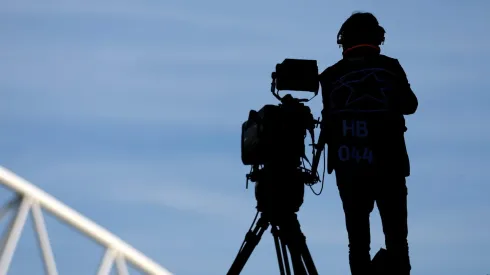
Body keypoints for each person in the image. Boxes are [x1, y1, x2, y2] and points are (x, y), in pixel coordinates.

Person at [318, 12, 418, 275]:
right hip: (390, 168)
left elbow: (328, 121)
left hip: (349, 170)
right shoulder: (391, 67)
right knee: (397, 241)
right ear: (378, 37)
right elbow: (411, 105)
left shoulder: (329, 76)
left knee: (357, 243)